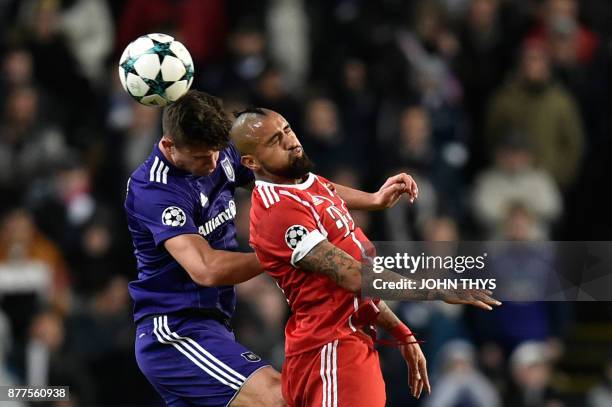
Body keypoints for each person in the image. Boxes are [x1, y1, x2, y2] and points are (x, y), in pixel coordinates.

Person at [124, 91, 433, 406]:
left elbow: (300, 188)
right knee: (280, 398)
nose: (214, 162)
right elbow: (206, 268)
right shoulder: (154, 189)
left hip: (215, 324)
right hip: (174, 331)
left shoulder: (223, 154)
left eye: (217, 153)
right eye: (202, 158)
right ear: (169, 146)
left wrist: (371, 199)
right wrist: (285, 250)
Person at [230, 107, 501, 406]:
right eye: (274, 141)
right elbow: (354, 276)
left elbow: (354, 280)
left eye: (287, 130)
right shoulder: (277, 211)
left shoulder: (305, 183)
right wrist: (436, 289)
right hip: (330, 351)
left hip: (347, 343)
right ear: (251, 161)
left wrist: (400, 330)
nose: (291, 141)